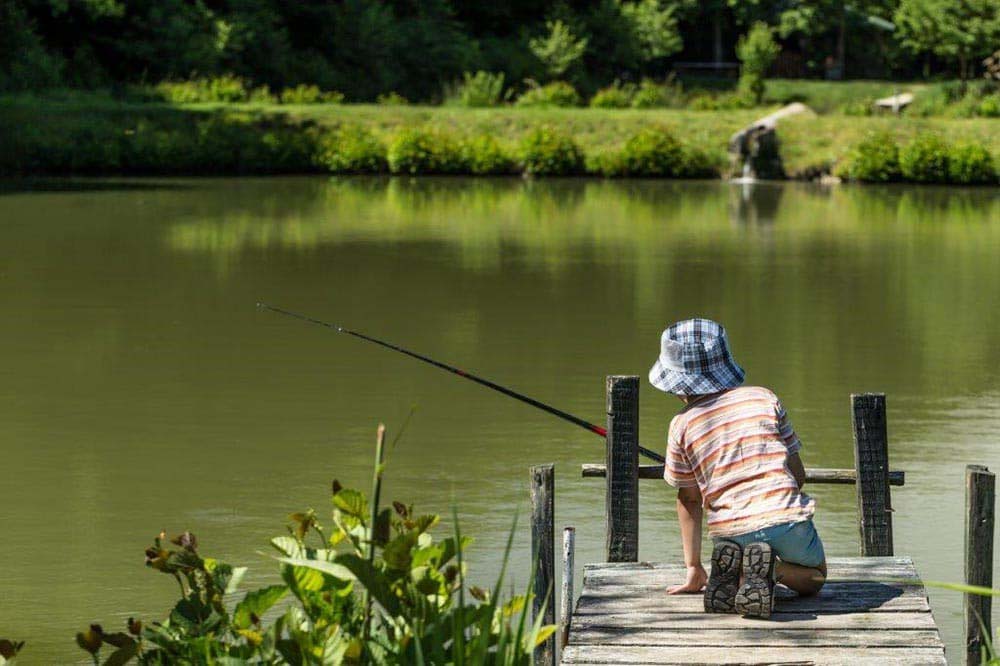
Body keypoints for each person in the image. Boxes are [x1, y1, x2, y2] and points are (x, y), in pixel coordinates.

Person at [648, 318, 826, 619]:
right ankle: (771, 569)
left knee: (742, 557)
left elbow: (689, 500)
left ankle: (743, 570)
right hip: (785, 515)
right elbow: (798, 475)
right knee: (815, 577)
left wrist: (693, 567)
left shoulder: (681, 425)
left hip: (729, 528)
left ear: (676, 386)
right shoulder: (764, 398)